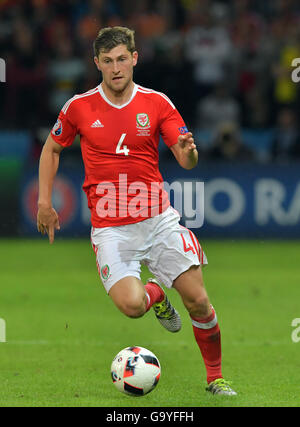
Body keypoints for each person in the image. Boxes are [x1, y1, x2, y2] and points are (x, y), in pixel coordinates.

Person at [37, 26, 236, 396]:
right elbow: (51, 148)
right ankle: (156, 294)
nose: (116, 68)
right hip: (112, 229)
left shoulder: (157, 103)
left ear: (135, 58)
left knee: (199, 302)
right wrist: (44, 202)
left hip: (159, 221)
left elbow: (186, 158)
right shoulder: (79, 107)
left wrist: (190, 151)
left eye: (122, 59)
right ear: (97, 63)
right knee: (132, 306)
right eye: (108, 61)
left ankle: (215, 378)